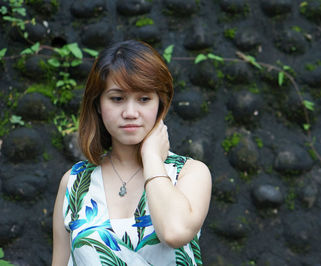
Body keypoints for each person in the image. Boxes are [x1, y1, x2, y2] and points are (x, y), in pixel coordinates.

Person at [52, 40, 212, 265]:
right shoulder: (74, 183)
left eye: (144, 99)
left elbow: (174, 232)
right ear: (98, 104)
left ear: (160, 104)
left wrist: (152, 157)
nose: (130, 112)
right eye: (117, 99)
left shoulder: (190, 174)